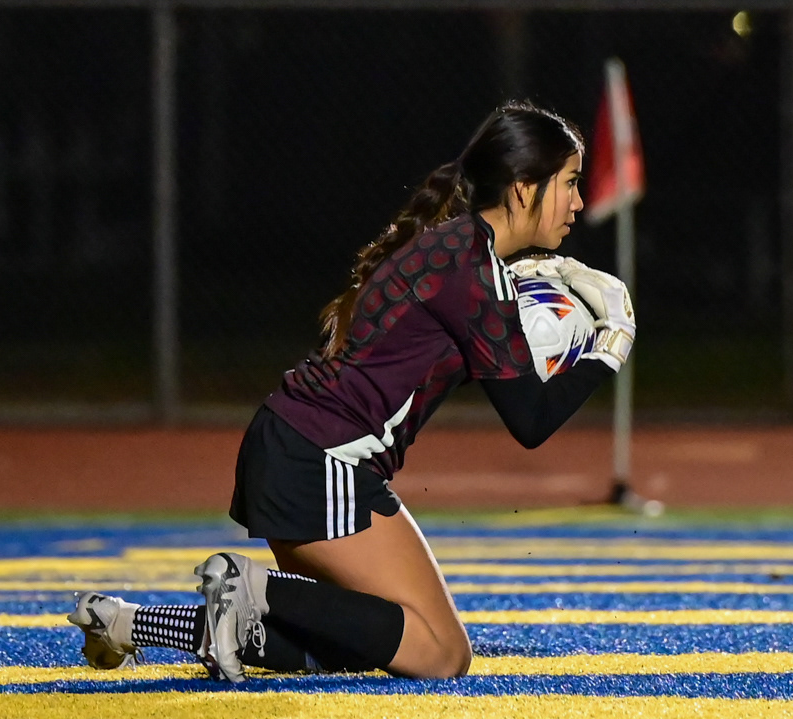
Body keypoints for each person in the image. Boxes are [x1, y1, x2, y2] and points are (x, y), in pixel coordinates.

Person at [67, 100, 636, 681]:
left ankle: (130, 623)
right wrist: (608, 347)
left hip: (291, 446)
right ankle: (251, 588)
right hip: (322, 461)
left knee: (355, 638)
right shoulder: (472, 269)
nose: (579, 201)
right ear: (521, 189)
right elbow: (531, 420)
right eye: (568, 183)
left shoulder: (455, 248)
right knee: (442, 653)